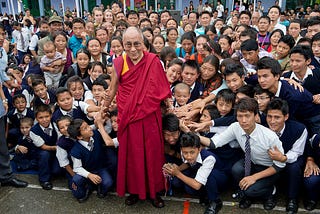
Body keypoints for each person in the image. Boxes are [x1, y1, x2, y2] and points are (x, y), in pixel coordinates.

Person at [106, 27, 171, 208]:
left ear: (144, 44)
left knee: (152, 155)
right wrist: (102, 109)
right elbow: (112, 89)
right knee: (131, 156)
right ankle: (134, 191)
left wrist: (170, 107)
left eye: (137, 44)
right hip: (128, 118)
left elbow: (161, 88)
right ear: (122, 46)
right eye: (128, 45)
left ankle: (154, 192)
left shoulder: (153, 61)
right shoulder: (119, 63)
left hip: (150, 117)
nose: (133, 49)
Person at [200, 97, 286, 210]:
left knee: (251, 190)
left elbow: (280, 165)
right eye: (240, 116)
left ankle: (270, 192)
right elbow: (214, 143)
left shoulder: (270, 137)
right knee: (236, 169)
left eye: (247, 116)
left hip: (270, 168)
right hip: (251, 163)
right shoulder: (235, 127)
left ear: (256, 116)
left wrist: (254, 177)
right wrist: (194, 135)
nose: (243, 120)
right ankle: (247, 193)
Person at [163, 132, 228, 214]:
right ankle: (205, 193)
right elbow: (188, 163)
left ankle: (215, 201)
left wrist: (177, 173)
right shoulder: (185, 151)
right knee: (185, 186)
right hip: (201, 172)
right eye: (185, 153)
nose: (188, 156)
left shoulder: (209, 158)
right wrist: (177, 169)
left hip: (219, 179)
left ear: (199, 148)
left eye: (192, 152)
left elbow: (197, 186)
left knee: (208, 177)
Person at [266, 98, 307, 214]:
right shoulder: (262, 126)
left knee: (294, 167)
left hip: (289, 158)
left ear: (286, 117)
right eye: (269, 116)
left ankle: (292, 198)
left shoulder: (299, 129)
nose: (272, 121)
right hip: (269, 158)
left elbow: (297, 152)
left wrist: (283, 158)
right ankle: (269, 194)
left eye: (277, 117)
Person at [68, 118, 114, 202]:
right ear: (79, 136)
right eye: (85, 128)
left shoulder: (96, 134)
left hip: (100, 168)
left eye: (88, 126)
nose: (90, 128)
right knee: (77, 181)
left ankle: (100, 188)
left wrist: (105, 119)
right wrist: (89, 175)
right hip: (87, 171)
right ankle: (87, 187)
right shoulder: (76, 150)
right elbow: (77, 168)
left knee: (108, 183)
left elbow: (108, 129)